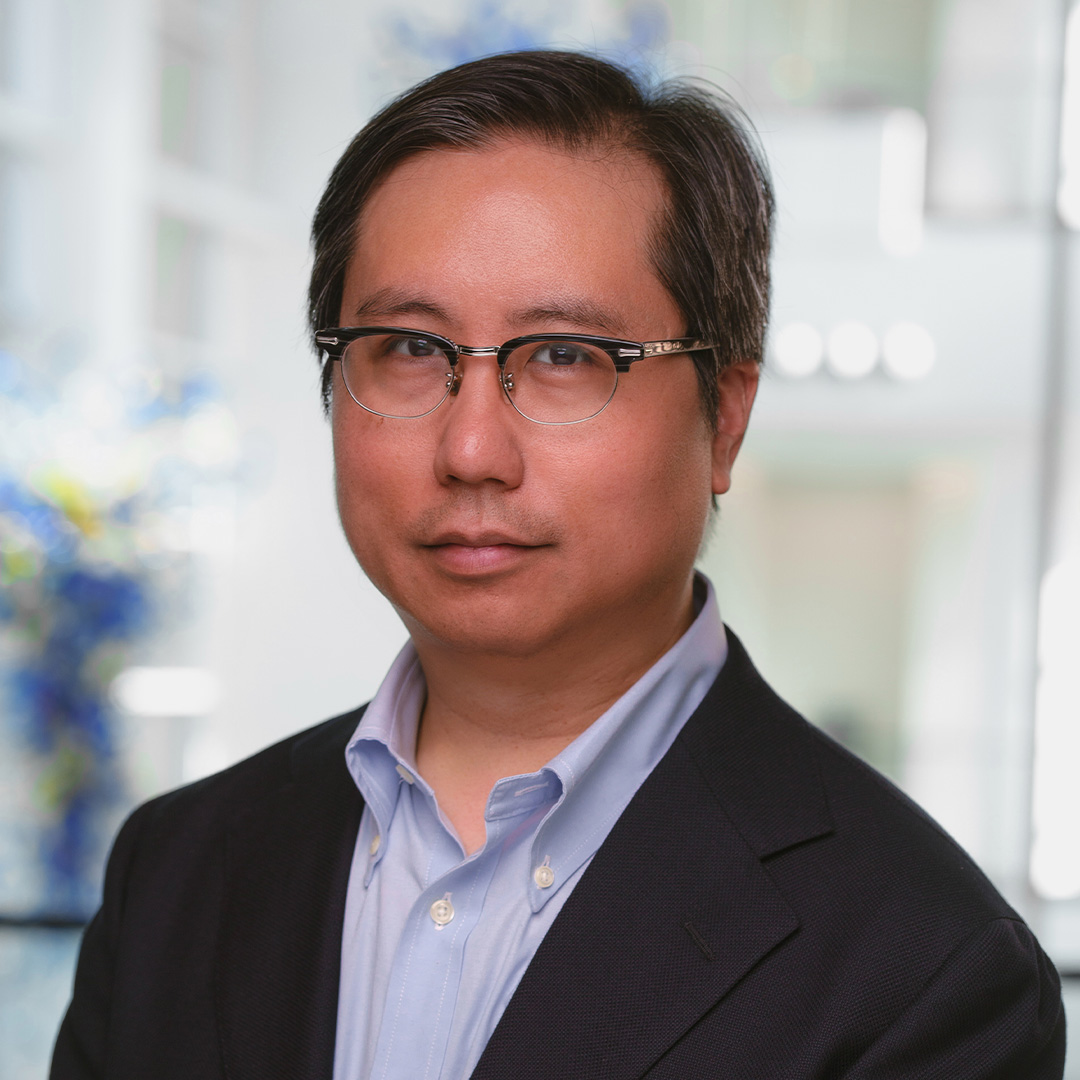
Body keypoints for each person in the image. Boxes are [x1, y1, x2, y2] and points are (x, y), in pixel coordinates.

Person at [51, 50, 1065, 1080]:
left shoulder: (927, 972)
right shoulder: (179, 870)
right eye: (407, 348)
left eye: (566, 357)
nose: (472, 451)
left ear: (725, 415)